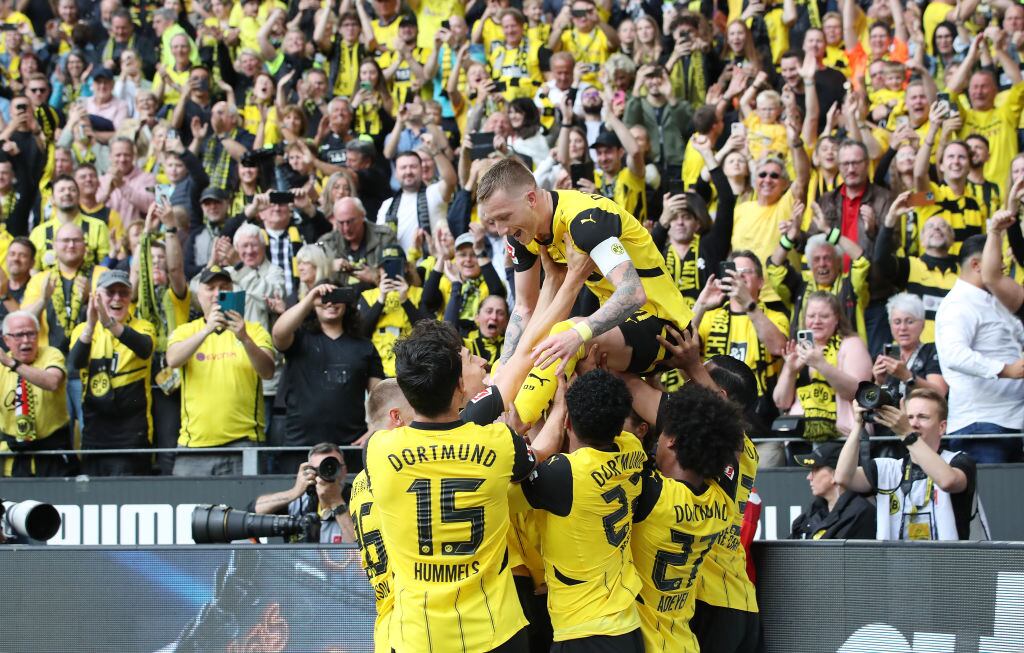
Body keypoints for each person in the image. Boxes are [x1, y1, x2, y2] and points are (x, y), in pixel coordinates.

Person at [477, 157, 692, 426]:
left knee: (563, 336)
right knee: (504, 364)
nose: (501, 231)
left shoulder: (584, 219)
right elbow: (524, 308)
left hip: (664, 326)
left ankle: (513, 429)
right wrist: (505, 368)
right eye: (493, 221)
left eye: (504, 218)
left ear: (531, 198)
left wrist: (578, 333)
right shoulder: (521, 234)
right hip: (617, 330)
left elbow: (633, 294)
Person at [365, 319, 535, 653]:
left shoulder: (380, 450)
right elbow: (530, 465)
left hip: (418, 636)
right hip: (496, 631)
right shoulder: (500, 442)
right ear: (460, 386)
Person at [510, 369, 646, 651]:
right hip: (627, 624)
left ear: (567, 422)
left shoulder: (563, 475)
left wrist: (552, 411)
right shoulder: (632, 448)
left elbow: (506, 493)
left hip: (583, 631)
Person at [631, 382, 741, 653]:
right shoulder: (724, 500)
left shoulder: (654, 495)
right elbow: (733, 447)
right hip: (685, 642)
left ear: (673, 440)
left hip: (647, 644)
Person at [165, 265, 275, 477]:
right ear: (199, 294)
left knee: (246, 508)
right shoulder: (186, 331)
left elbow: (268, 371)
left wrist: (244, 338)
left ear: (233, 291)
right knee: (191, 509)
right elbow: (173, 359)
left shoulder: (253, 330)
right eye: (211, 287)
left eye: (223, 287)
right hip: (194, 445)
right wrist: (207, 330)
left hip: (244, 443)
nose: (217, 293)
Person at [835, 389, 982, 541]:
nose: (913, 424)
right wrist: (858, 425)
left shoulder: (959, 461)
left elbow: (947, 481)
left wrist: (906, 433)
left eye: (923, 417)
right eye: (909, 417)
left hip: (949, 563)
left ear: (942, 427)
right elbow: (843, 477)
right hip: (899, 563)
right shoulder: (889, 470)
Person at [272, 280, 383, 473]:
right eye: (324, 298)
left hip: (350, 445)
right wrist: (310, 298)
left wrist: (374, 428)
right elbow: (278, 334)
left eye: (336, 297)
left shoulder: (364, 346)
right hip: (300, 444)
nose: (330, 303)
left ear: (347, 302)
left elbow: (380, 396)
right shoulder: (299, 338)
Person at [934, 234, 1024, 464]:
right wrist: (1006, 370)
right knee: (991, 498)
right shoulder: (957, 304)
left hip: (1013, 423)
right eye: (997, 260)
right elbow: (954, 354)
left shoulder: (995, 301)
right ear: (977, 265)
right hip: (981, 427)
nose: (1003, 266)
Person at [69, 270, 155, 476]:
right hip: (94, 435)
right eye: (110, 292)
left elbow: (144, 348)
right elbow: (75, 363)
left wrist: (109, 323)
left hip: (132, 435)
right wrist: (91, 324)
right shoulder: (83, 329)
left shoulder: (143, 326)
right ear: (96, 297)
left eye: (123, 292)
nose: (117, 298)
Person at [350, 379, 413, 653]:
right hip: (415, 626)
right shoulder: (400, 467)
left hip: (387, 626)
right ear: (396, 417)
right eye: (416, 410)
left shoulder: (358, 482)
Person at [773, 291, 873, 448]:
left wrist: (821, 365)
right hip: (800, 437)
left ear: (837, 319)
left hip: (843, 436)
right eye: (811, 316)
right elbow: (781, 402)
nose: (816, 321)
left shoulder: (852, 344)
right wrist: (790, 371)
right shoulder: (800, 350)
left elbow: (857, 392)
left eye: (824, 316)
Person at [874, 192, 959, 344]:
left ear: (953, 239)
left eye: (943, 226)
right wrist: (890, 220)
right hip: (913, 353)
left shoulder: (964, 274)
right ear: (922, 239)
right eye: (930, 227)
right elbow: (880, 261)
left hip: (951, 353)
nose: (937, 229)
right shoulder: (910, 266)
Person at [0, 311, 74, 477]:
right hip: (13, 457)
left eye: (31, 334)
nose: (26, 340)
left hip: (52, 454)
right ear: (6, 340)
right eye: (19, 335)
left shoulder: (52, 354)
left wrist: (12, 363)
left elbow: (52, 382)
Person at [253, 442, 356, 544]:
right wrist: (294, 492)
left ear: (344, 470)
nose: (326, 473)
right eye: (320, 469)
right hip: (302, 560)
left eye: (332, 466)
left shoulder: (358, 498)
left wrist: (336, 502)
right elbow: (254, 511)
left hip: (346, 560)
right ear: (309, 471)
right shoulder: (299, 502)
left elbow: (361, 548)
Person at [788, 440, 876, 539]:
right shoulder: (815, 510)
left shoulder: (860, 512)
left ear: (836, 474)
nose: (809, 477)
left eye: (815, 470)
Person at [375, 148, 456, 253]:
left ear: (422, 170)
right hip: (398, 265)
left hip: (433, 264)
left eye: (413, 167)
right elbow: (380, 239)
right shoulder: (387, 205)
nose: (408, 171)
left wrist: (435, 151)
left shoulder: (434, 192)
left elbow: (451, 181)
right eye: (403, 167)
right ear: (396, 173)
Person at [318, 197, 396, 290]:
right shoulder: (327, 243)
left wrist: (374, 277)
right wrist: (329, 266)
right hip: (340, 301)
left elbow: (396, 277)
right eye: (341, 223)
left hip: (378, 298)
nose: (346, 228)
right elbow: (311, 276)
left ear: (363, 216)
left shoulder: (384, 237)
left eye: (350, 222)